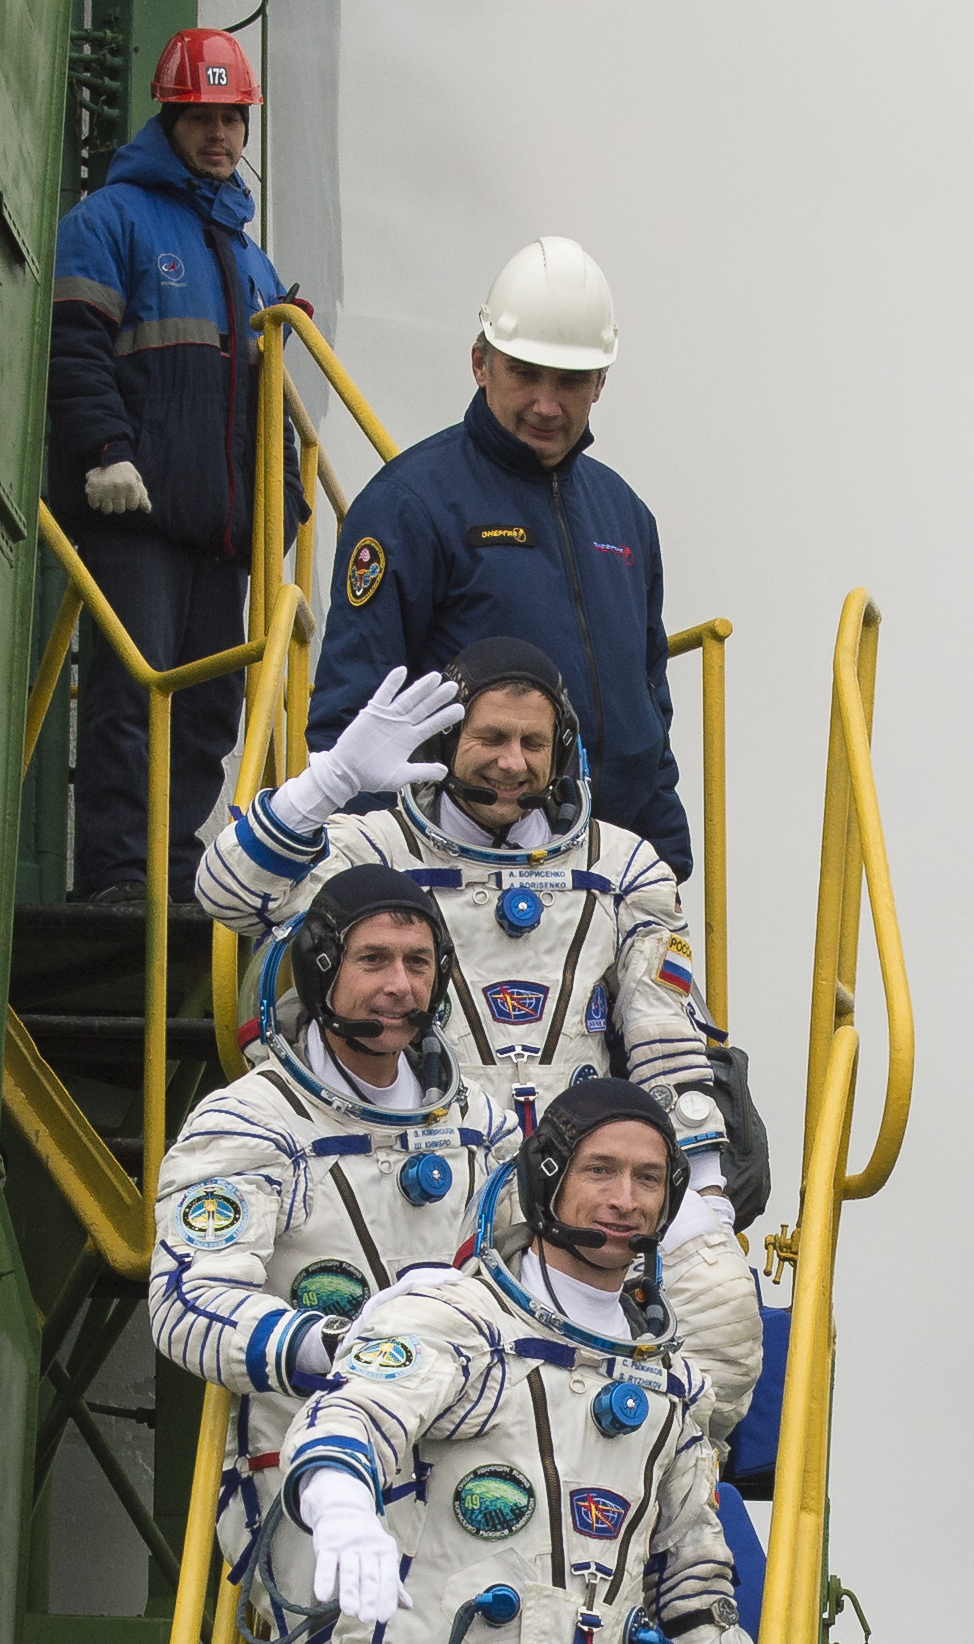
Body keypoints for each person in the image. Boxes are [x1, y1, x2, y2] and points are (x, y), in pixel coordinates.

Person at [196, 637, 762, 1446]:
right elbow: (226, 892)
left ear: (561, 752)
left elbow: (661, 1028)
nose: (511, 763)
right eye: (490, 739)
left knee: (716, 1304)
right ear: (445, 745)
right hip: (428, 1162)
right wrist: (332, 782)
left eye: (532, 744)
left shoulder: (621, 863)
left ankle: (660, 1513)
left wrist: (699, 1190)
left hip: (581, 1179)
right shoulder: (373, 847)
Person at [274, 1079, 752, 1644]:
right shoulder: (458, 1319)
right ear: (546, 1178)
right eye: (599, 1170)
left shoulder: (669, 1384)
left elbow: (693, 1578)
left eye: (647, 1178)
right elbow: (353, 1415)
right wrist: (341, 1503)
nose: (626, 1200)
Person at [148, 864, 517, 1591]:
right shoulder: (252, 1121)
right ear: (321, 970)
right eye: (373, 959)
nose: (400, 986)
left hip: (470, 1469)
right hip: (302, 1469)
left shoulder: (483, 1126)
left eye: (418, 963)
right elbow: (186, 1302)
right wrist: (334, 1348)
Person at [304, 236, 692, 881]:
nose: (546, 403)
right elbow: (352, 714)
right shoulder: (410, 505)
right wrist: (378, 890)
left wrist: (667, 861)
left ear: (600, 382)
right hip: (458, 874)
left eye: (569, 380)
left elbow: (649, 709)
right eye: (525, 374)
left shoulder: (626, 517)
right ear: (481, 363)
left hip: (604, 873)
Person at [48, 28, 309, 901]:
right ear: (169, 118)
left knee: (206, 714)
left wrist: (284, 505)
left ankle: (174, 872)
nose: (220, 136)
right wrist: (102, 453)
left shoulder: (250, 258)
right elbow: (75, 348)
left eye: (233, 119)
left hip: (222, 529)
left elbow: (274, 402)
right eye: (202, 116)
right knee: (133, 698)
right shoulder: (108, 222)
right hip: (136, 514)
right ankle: (121, 879)